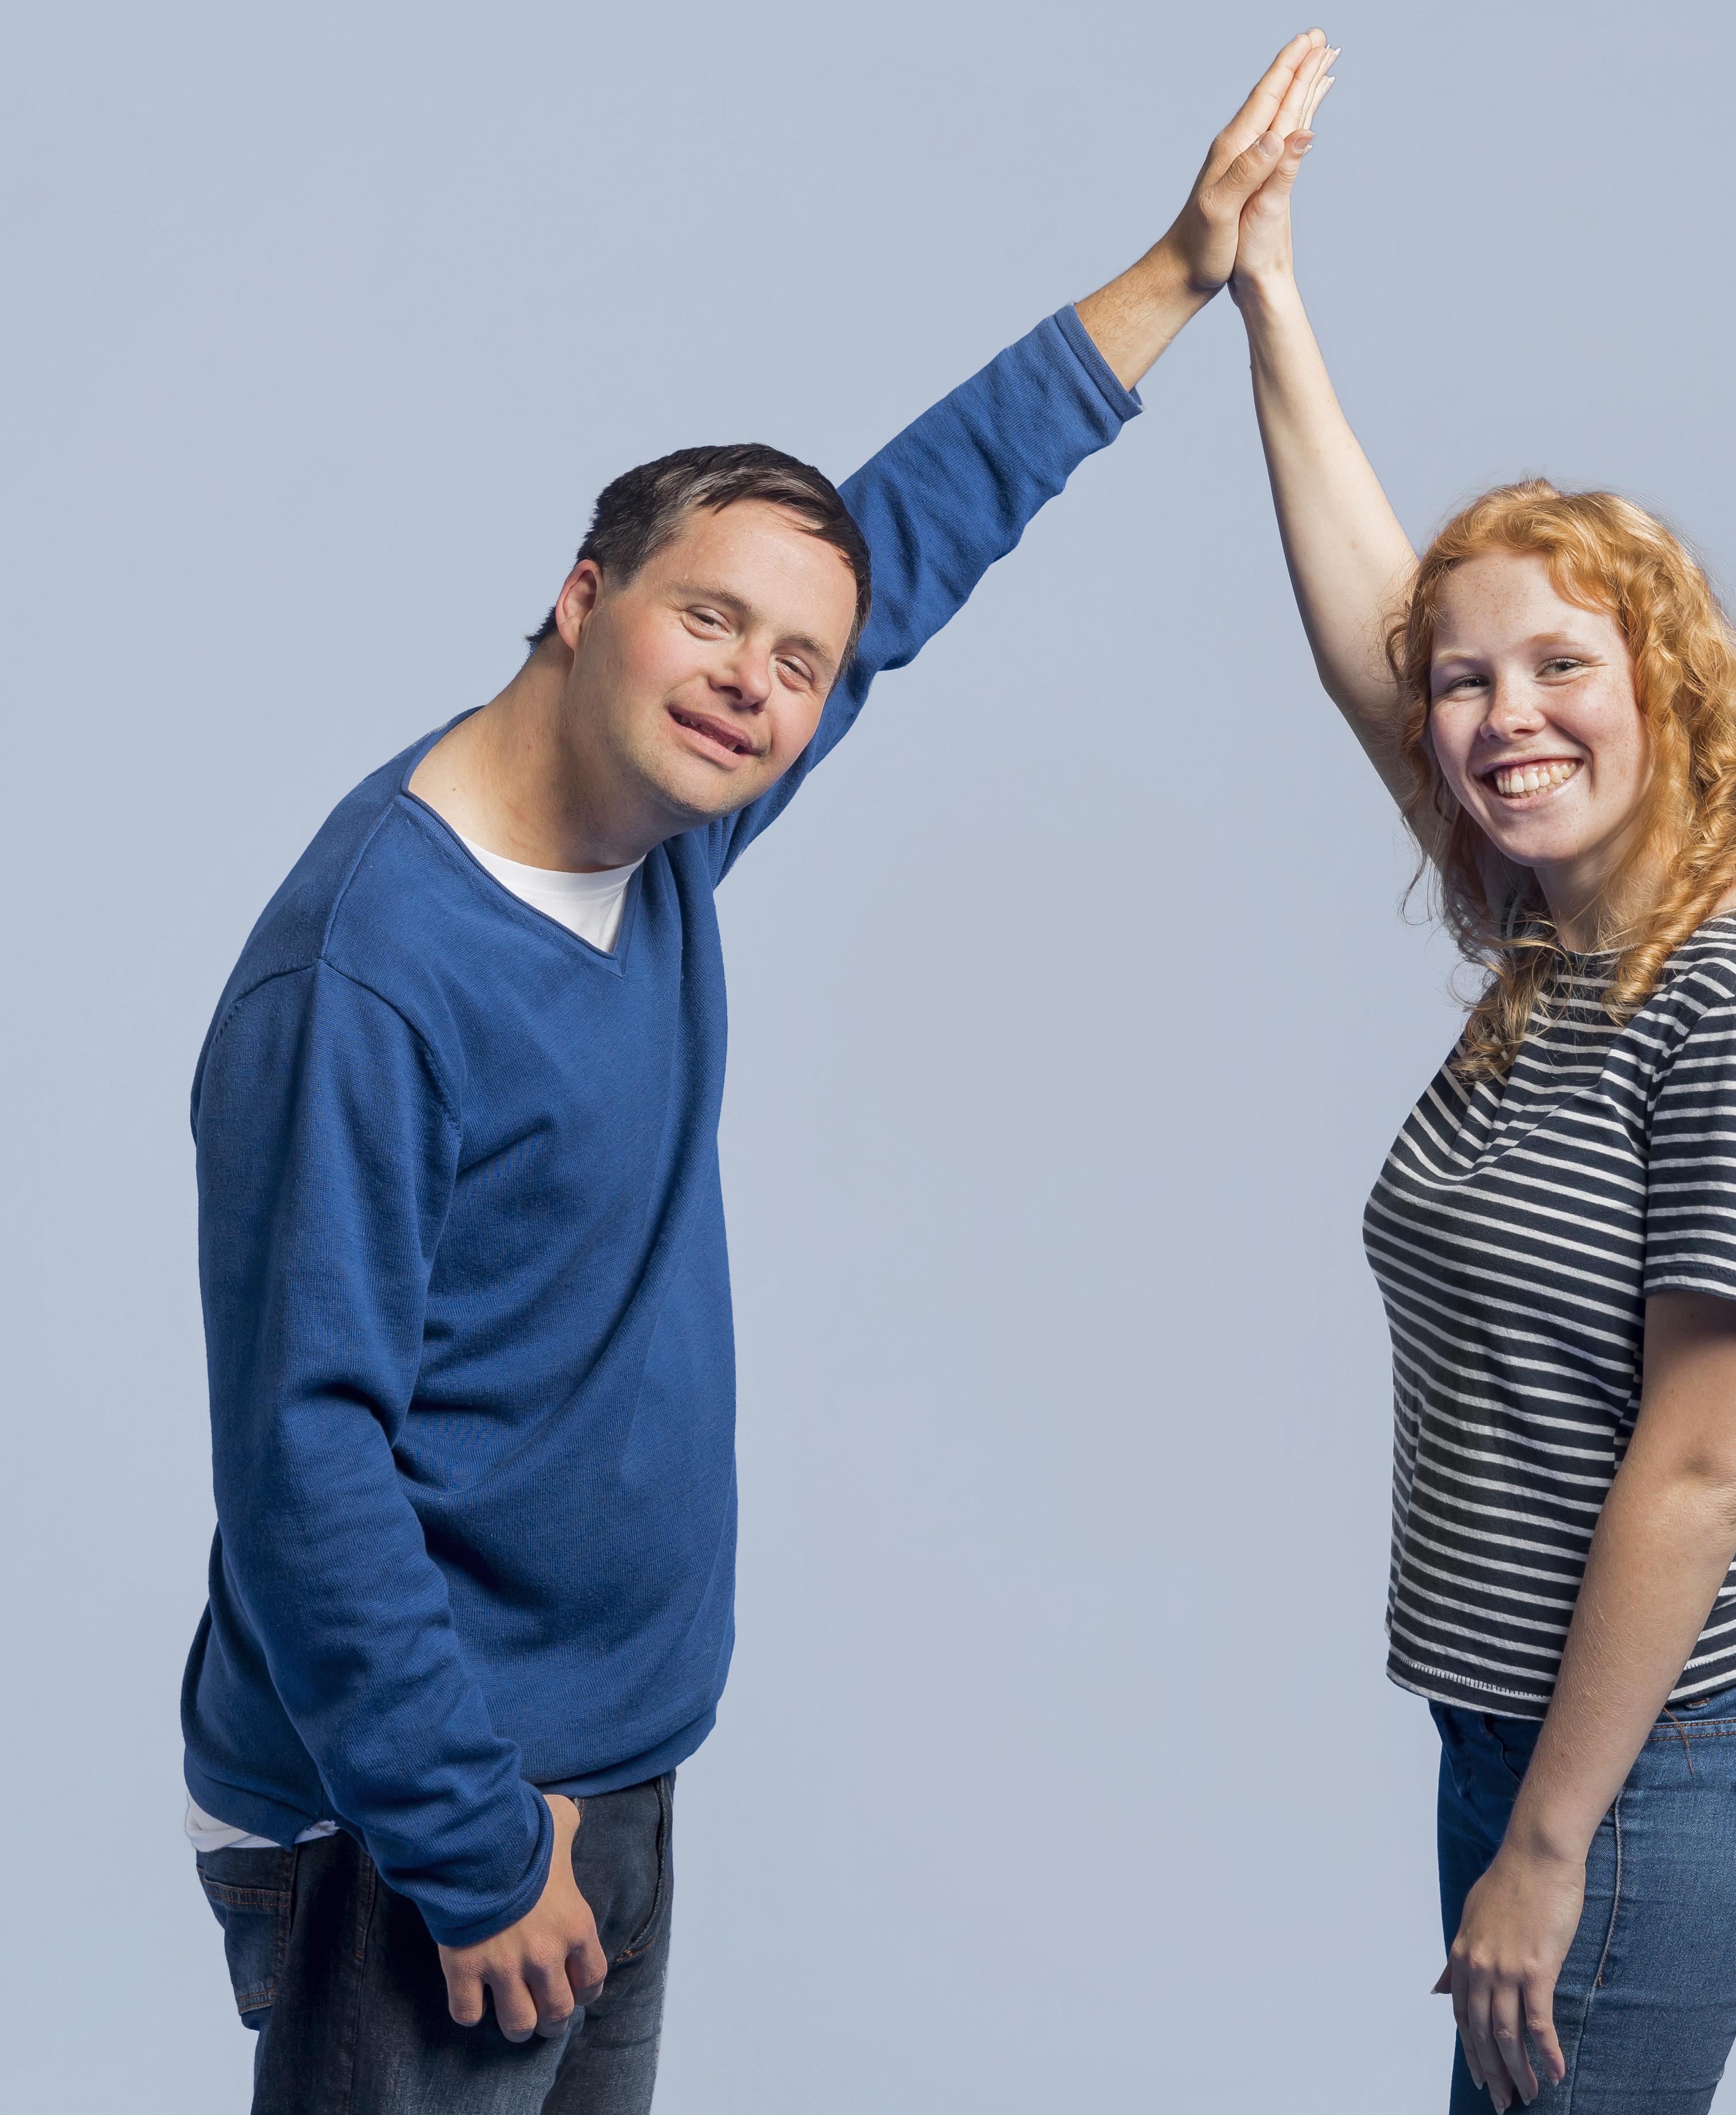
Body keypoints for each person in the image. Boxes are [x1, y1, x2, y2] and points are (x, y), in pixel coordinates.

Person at [180, 35, 1340, 2112]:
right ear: (580, 596)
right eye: (713, 622)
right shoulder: (368, 979)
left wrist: (1177, 273)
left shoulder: (669, 830)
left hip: (607, 1763)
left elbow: (911, 539)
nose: (760, 685)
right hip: (420, 1819)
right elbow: (302, 1469)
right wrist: (465, 1840)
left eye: (796, 664)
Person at [1225, 44, 1736, 2114]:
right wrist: (1264, 290)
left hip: (1642, 1780)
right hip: (1527, 1743)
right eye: (1470, 683)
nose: (1501, 717)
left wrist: (1545, 1850)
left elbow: (1699, 1466)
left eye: (1561, 668)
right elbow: (1372, 632)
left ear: (1668, 689)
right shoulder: (1570, 934)